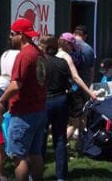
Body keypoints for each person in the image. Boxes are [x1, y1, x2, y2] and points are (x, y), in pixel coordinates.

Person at [0, 18, 47, 181]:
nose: (10, 37)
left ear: (22, 35)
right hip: (39, 110)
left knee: (19, 157)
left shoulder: (24, 55)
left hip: (23, 113)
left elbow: (16, 85)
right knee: (36, 153)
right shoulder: (38, 52)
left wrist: (1, 101)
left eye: (12, 34)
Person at [40, 36, 71, 180]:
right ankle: (61, 176)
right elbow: (69, 83)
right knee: (60, 139)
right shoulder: (63, 62)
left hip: (44, 101)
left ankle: (37, 172)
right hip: (60, 100)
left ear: (44, 47)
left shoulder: (40, 62)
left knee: (41, 138)